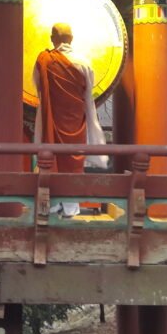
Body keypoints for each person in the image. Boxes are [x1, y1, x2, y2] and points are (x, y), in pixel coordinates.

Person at [32, 23, 107, 217]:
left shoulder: (45, 60)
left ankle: (54, 202)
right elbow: (88, 93)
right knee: (73, 161)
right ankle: (71, 207)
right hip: (76, 121)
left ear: (52, 39)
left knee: (52, 157)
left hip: (52, 119)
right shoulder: (84, 63)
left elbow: (37, 84)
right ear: (72, 39)